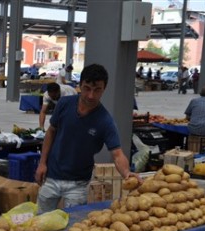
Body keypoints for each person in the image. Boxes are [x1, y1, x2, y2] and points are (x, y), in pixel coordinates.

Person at [35, 64, 139, 213]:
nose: (91, 95)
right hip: (51, 176)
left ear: (104, 89)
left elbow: (117, 154)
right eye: (87, 88)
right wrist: (42, 163)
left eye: (97, 90)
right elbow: (50, 132)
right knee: (40, 221)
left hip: (78, 184)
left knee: (72, 225)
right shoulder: (64, 104)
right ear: (80, 85)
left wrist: (126, 173)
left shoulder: (105, 121)